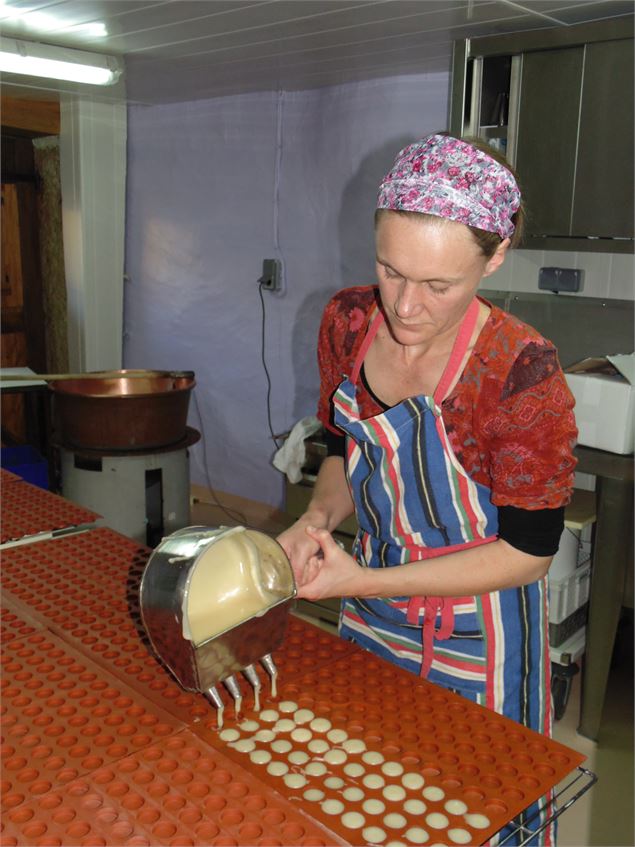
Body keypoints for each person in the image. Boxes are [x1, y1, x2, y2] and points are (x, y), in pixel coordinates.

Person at [277, 133, 577, 846]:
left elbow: (529, 552)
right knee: (367, 799)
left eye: (438, 285)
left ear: (494, 256)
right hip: (371, 613)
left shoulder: (519, 371)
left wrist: (370, 576)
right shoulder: (348, 322)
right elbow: (348, 451)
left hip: (482, 636)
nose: (406, 306)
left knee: (475, 815)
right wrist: (317, 517)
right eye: (389, 268)